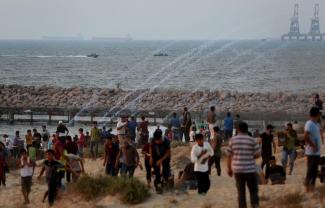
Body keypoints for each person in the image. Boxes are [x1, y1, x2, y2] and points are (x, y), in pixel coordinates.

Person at [227, 122, 260, 208]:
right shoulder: (252, 140)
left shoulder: (232, 140)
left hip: (237, 170)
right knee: (253, 190)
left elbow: (229, 155)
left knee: (241, 192)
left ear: (238, 129)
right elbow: (258, 154)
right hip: (250, 169)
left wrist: (229, 169)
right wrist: (249, 156)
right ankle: (255, 205)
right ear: (247, 129)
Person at [304, 107, 322, 192]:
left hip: (317, 152)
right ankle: (307, 187)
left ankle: (312, 187)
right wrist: (313, 145)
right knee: (310, 170)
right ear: (317, 114)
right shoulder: (309, 123)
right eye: (319, 114)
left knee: (314, 171)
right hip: (311, 152)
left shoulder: (316, 124)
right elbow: (305, 136)